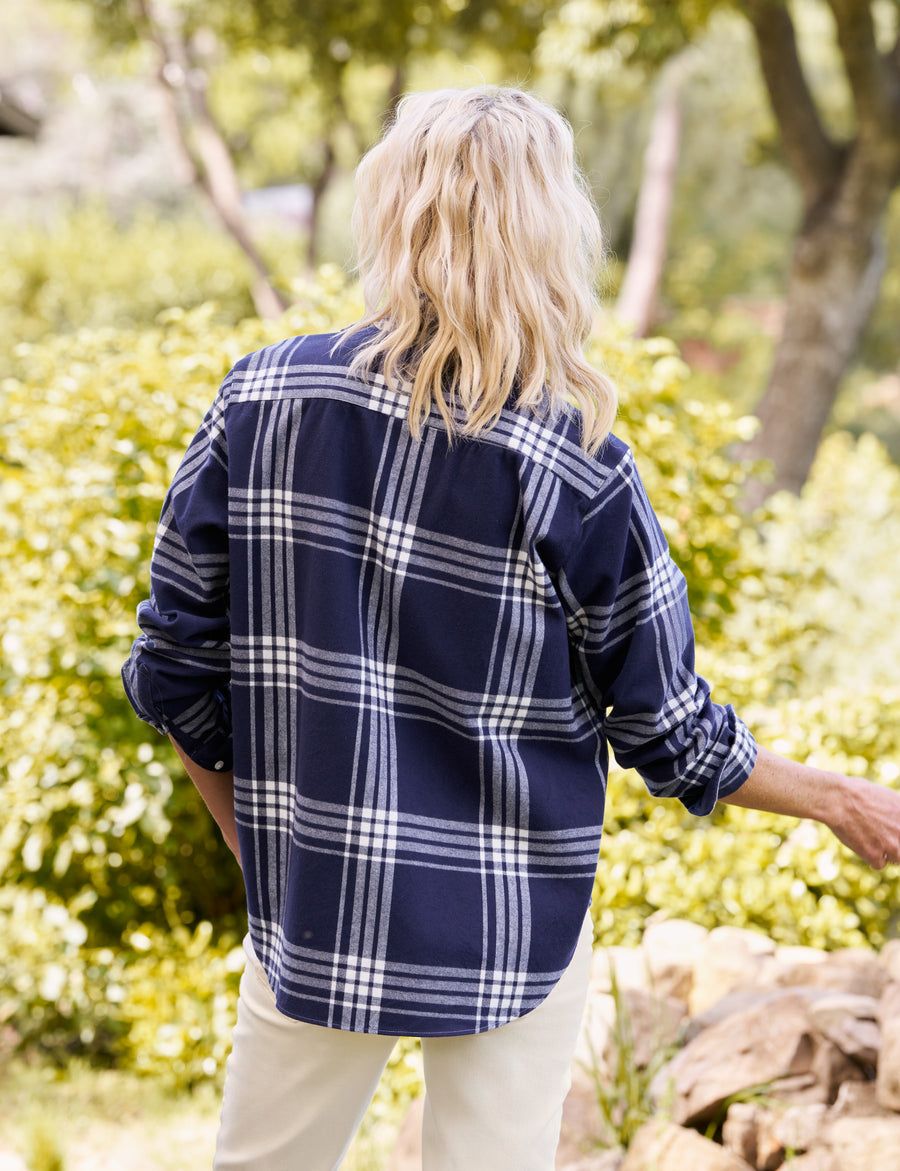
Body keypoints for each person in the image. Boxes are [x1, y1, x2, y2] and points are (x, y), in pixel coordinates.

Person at [122, 86, 900, 1171]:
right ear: (552, 233)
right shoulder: (579, 467)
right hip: (508, 927)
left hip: (319, 910)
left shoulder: (260, 404)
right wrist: (839, 797)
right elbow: (670, 731)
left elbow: (171, 672)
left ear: (391, 213)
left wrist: (268, 854)